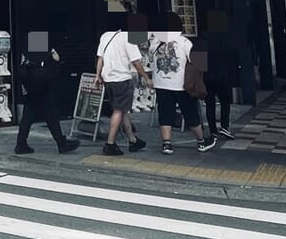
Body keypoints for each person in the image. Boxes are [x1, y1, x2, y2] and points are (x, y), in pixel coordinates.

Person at [149, 20, 216, 155]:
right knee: (190, 113)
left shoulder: (155, 43)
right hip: (181, 85)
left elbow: (151, 59)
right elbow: (197, 62)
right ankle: (201, 141)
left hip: (161, 84)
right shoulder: (184, 42)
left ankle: (167, 144)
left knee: (165, 114)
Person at [94, 24, 151, 156]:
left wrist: (98, 75)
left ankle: (132, 140)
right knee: (119, 111)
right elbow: (136, 62)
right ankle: (110, 144)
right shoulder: (128, 38)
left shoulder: (105, 36)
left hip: (108, 80)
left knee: (122, 110)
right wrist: (146, 78)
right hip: (122, 80)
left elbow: (100, 58)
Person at [15, 47, 81, 155]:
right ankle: (61, 144)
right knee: (50, 116)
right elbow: (49, 74)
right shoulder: (38, 60)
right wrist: (56, 61)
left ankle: (21, 143)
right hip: (41, 89)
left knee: (29, 117)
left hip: (31, 89)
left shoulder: (27, 57)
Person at [198, 13, 238, 140]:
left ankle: (213, 131)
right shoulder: (226, 39)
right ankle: (224, 127)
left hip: (207, 77)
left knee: (210, 104)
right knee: (225, 102)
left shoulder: (203, 41)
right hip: (223, 76)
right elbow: (232, 59)